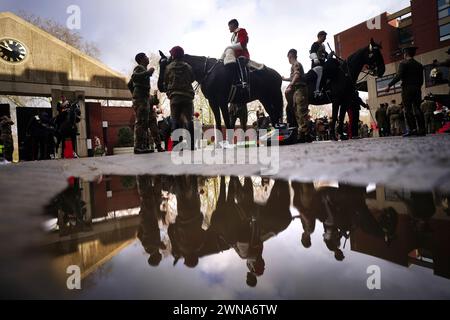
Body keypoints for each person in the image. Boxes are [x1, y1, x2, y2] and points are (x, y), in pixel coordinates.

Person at [387, 46, 426, 137]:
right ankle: (422, 129)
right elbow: (421, 80)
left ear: (406, 54)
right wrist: (417, 86)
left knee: (407, 110)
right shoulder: (419, 65)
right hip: (417, 88)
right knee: (417, 108)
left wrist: (389, 85)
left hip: (407, 89)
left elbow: (399, 76)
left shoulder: (403, 63)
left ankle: (413, 129)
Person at [164, 46, 195, 149]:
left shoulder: (168, 67)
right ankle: (191, 145)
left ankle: (176, 145)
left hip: (175, 97)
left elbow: (166, 80)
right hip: (187, 97)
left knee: (175, 120)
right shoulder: (188, 66)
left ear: (173, 55)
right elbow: (192, 78)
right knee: (189, 120)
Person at [284, 49, 311, 143]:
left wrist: (290, 85)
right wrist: (285, 79)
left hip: (300, 90)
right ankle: (303, 134)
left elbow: (297, 75)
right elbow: (293, 77)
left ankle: (306, 135)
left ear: (290, 56)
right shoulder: (294, 66)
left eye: (288, 57)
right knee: (297, 113)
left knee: (301, 112)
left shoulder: (296, 64)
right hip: (297, 91)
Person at [131, 52, 156, 154]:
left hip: (144, 99)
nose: (148, 58)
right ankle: (138, 147)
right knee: (140, 122)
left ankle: (143, 146)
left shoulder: (143, 69)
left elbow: (130, 84)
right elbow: (134, 77)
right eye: (146, 56)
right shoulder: (139, 68)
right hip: (140, 99)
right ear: (141, 59)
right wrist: (148, 72)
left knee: (144, 123)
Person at [222, 19, 250, 90]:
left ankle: (245, 82)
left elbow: (243, 44)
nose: (229, 28)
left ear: (233, 25)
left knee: (240, 60)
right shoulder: (233, 36)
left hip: (243, 55)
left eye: (229, 26)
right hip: (235, 56)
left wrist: (229, 47)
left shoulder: (242, 31)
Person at [310, 31, 333, 98]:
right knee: (320, 74)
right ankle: (317, 91)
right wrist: (315, 59)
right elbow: (312, 53)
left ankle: (326, 88)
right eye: (324, 37)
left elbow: (326, 56)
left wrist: (330, 54)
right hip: (316, 65)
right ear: (320, 36)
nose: (325, 39)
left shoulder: (322, 47)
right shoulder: (315, 44)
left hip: (323, 64)